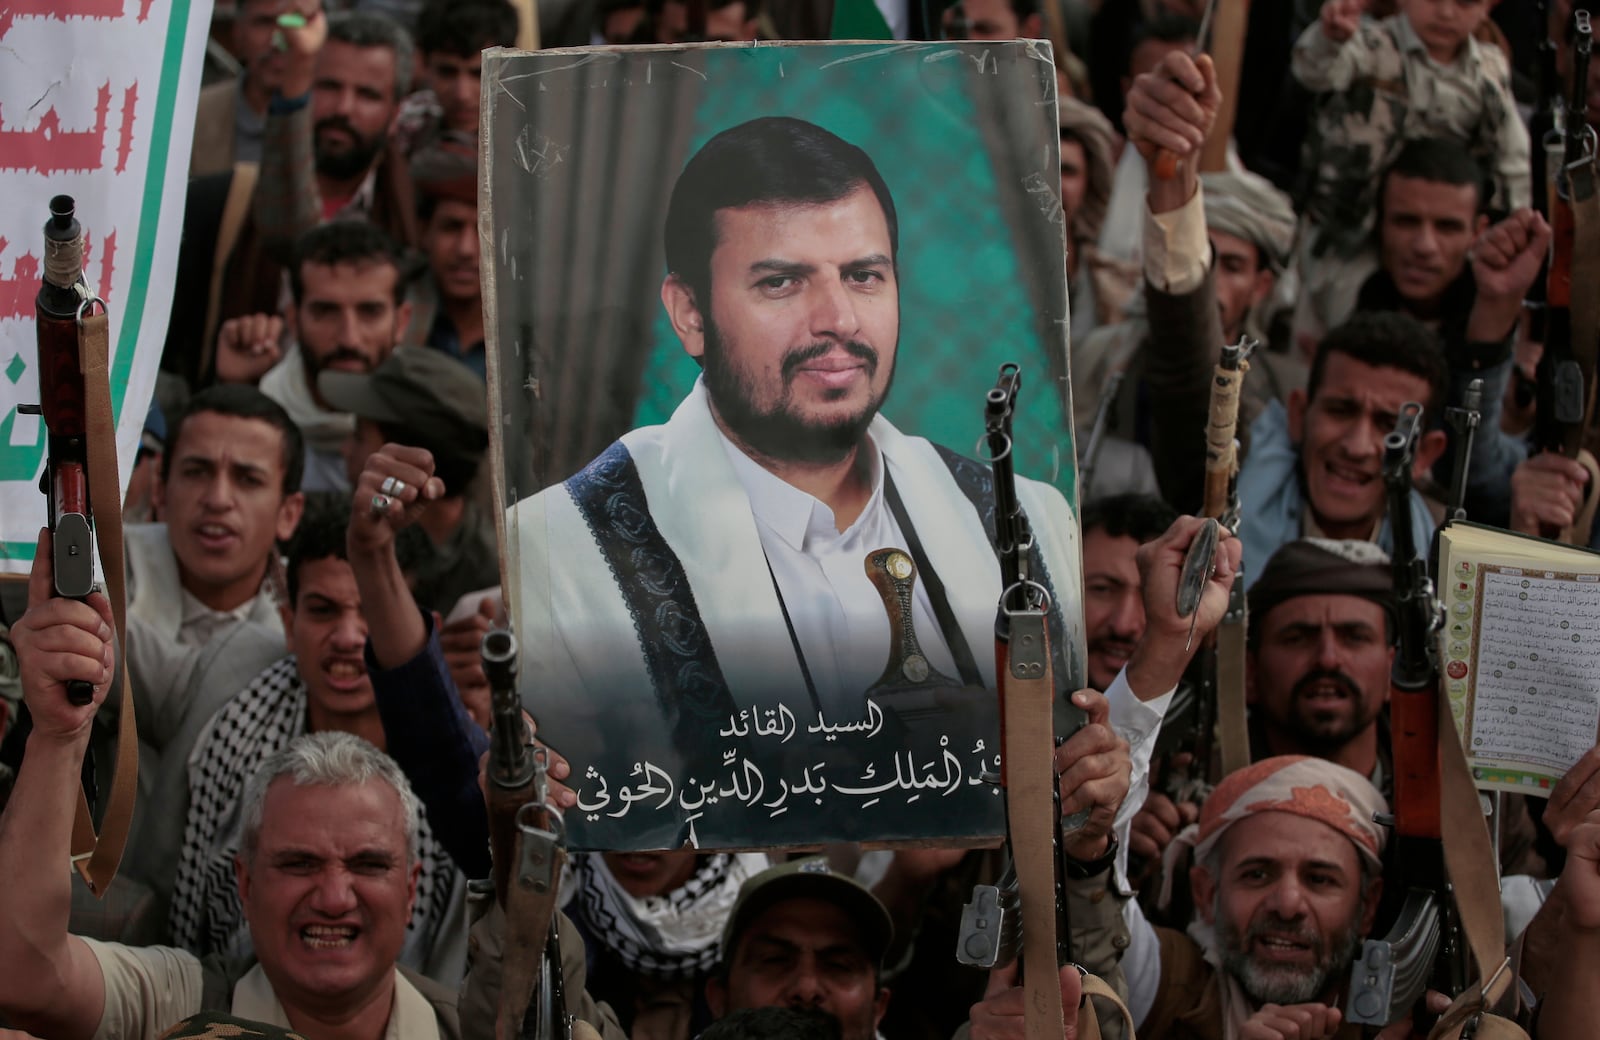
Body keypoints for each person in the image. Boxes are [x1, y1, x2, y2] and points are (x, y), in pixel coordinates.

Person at [506, 115, 1131, 750]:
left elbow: (1073, 827)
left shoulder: (1026, 524)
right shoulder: (566, 553)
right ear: (690, 314)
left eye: (864, 276)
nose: (838, 320)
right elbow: (591, 833)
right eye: (780, 282)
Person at [0, 545, 460, 1038]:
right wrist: (58, 736)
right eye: (298, 864)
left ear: (412, 889)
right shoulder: (175, 1003)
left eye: (368, 865)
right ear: (243, 882)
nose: (332, 898)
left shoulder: (468, 1025)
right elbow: (23, 976)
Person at [168, 499, 469, 984]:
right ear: (289, 625)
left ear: (417, 629)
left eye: (371, 611)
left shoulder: (456, 771)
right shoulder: (235, 732)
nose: (348, 636)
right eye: (323, 611)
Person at [1291, 0, 1529, 326]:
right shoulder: (1372, 45)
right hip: (1355, 219)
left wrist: (1513, 226)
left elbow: (1513, 156)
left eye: (1465, 2)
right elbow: (1317, 72)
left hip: (1442, 217)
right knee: (1338, 310)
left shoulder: (1489, 67)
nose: (1446, 13)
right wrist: (1330, 38)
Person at [319, 345, 497, 617]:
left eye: (359, 436)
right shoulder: (328, 526)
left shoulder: (494, 579)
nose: (345, 449)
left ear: (406, 461)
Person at [244, 220, 412, 492]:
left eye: (370, 312)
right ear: (294, 320)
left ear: (402, 322)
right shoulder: (258, 419)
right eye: (326, 311)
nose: (349, 338)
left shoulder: (428, 425)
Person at [401, 139, 487, 378]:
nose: (466, 250)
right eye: (451, 227)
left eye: (483, 232)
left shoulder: (527, 336)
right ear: (423, 232)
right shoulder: (395, 319)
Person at [393, 0, 518, 156]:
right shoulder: (406, 123)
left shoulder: (534, 134)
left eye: (479, 73)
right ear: (424, 64)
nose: (462, 95)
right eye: (447, 72)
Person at [191, 0, 295, 176]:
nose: (278, 41)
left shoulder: (335, 121)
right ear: (238, 32)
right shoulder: (194, 117)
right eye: (264, 23)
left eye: (293, 23)